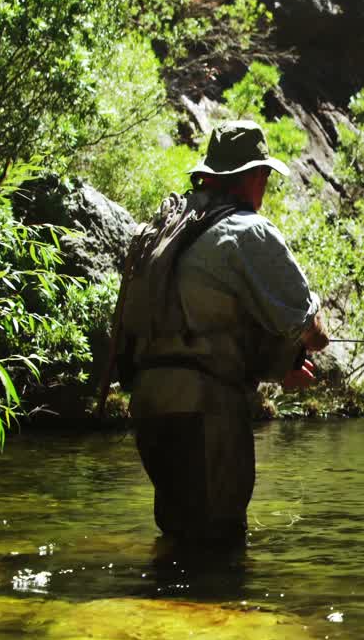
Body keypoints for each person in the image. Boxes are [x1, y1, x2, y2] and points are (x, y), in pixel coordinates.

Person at [107, 120, 329, 546]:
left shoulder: (170, 226)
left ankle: (161, 613)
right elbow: (309, 330)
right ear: (252, 176)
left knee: (178, 537)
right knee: (217, 546)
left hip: (150, 407)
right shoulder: (248, 231)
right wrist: (312, 330)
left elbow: (202, 328)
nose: (265, 185)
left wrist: (281, 365)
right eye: (264, 175)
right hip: (205, 412)